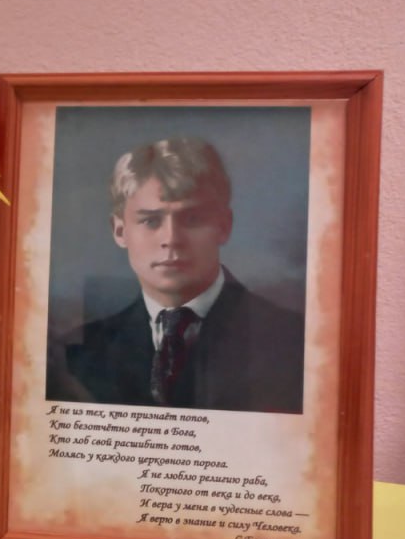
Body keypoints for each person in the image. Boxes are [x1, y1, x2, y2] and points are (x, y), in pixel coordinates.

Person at [47, 137, 304, 413]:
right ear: (120, 231)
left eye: (192, 219)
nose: (171, 239)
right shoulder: (78, 354)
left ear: (224, 226)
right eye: (150, 221)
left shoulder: (295, 342)